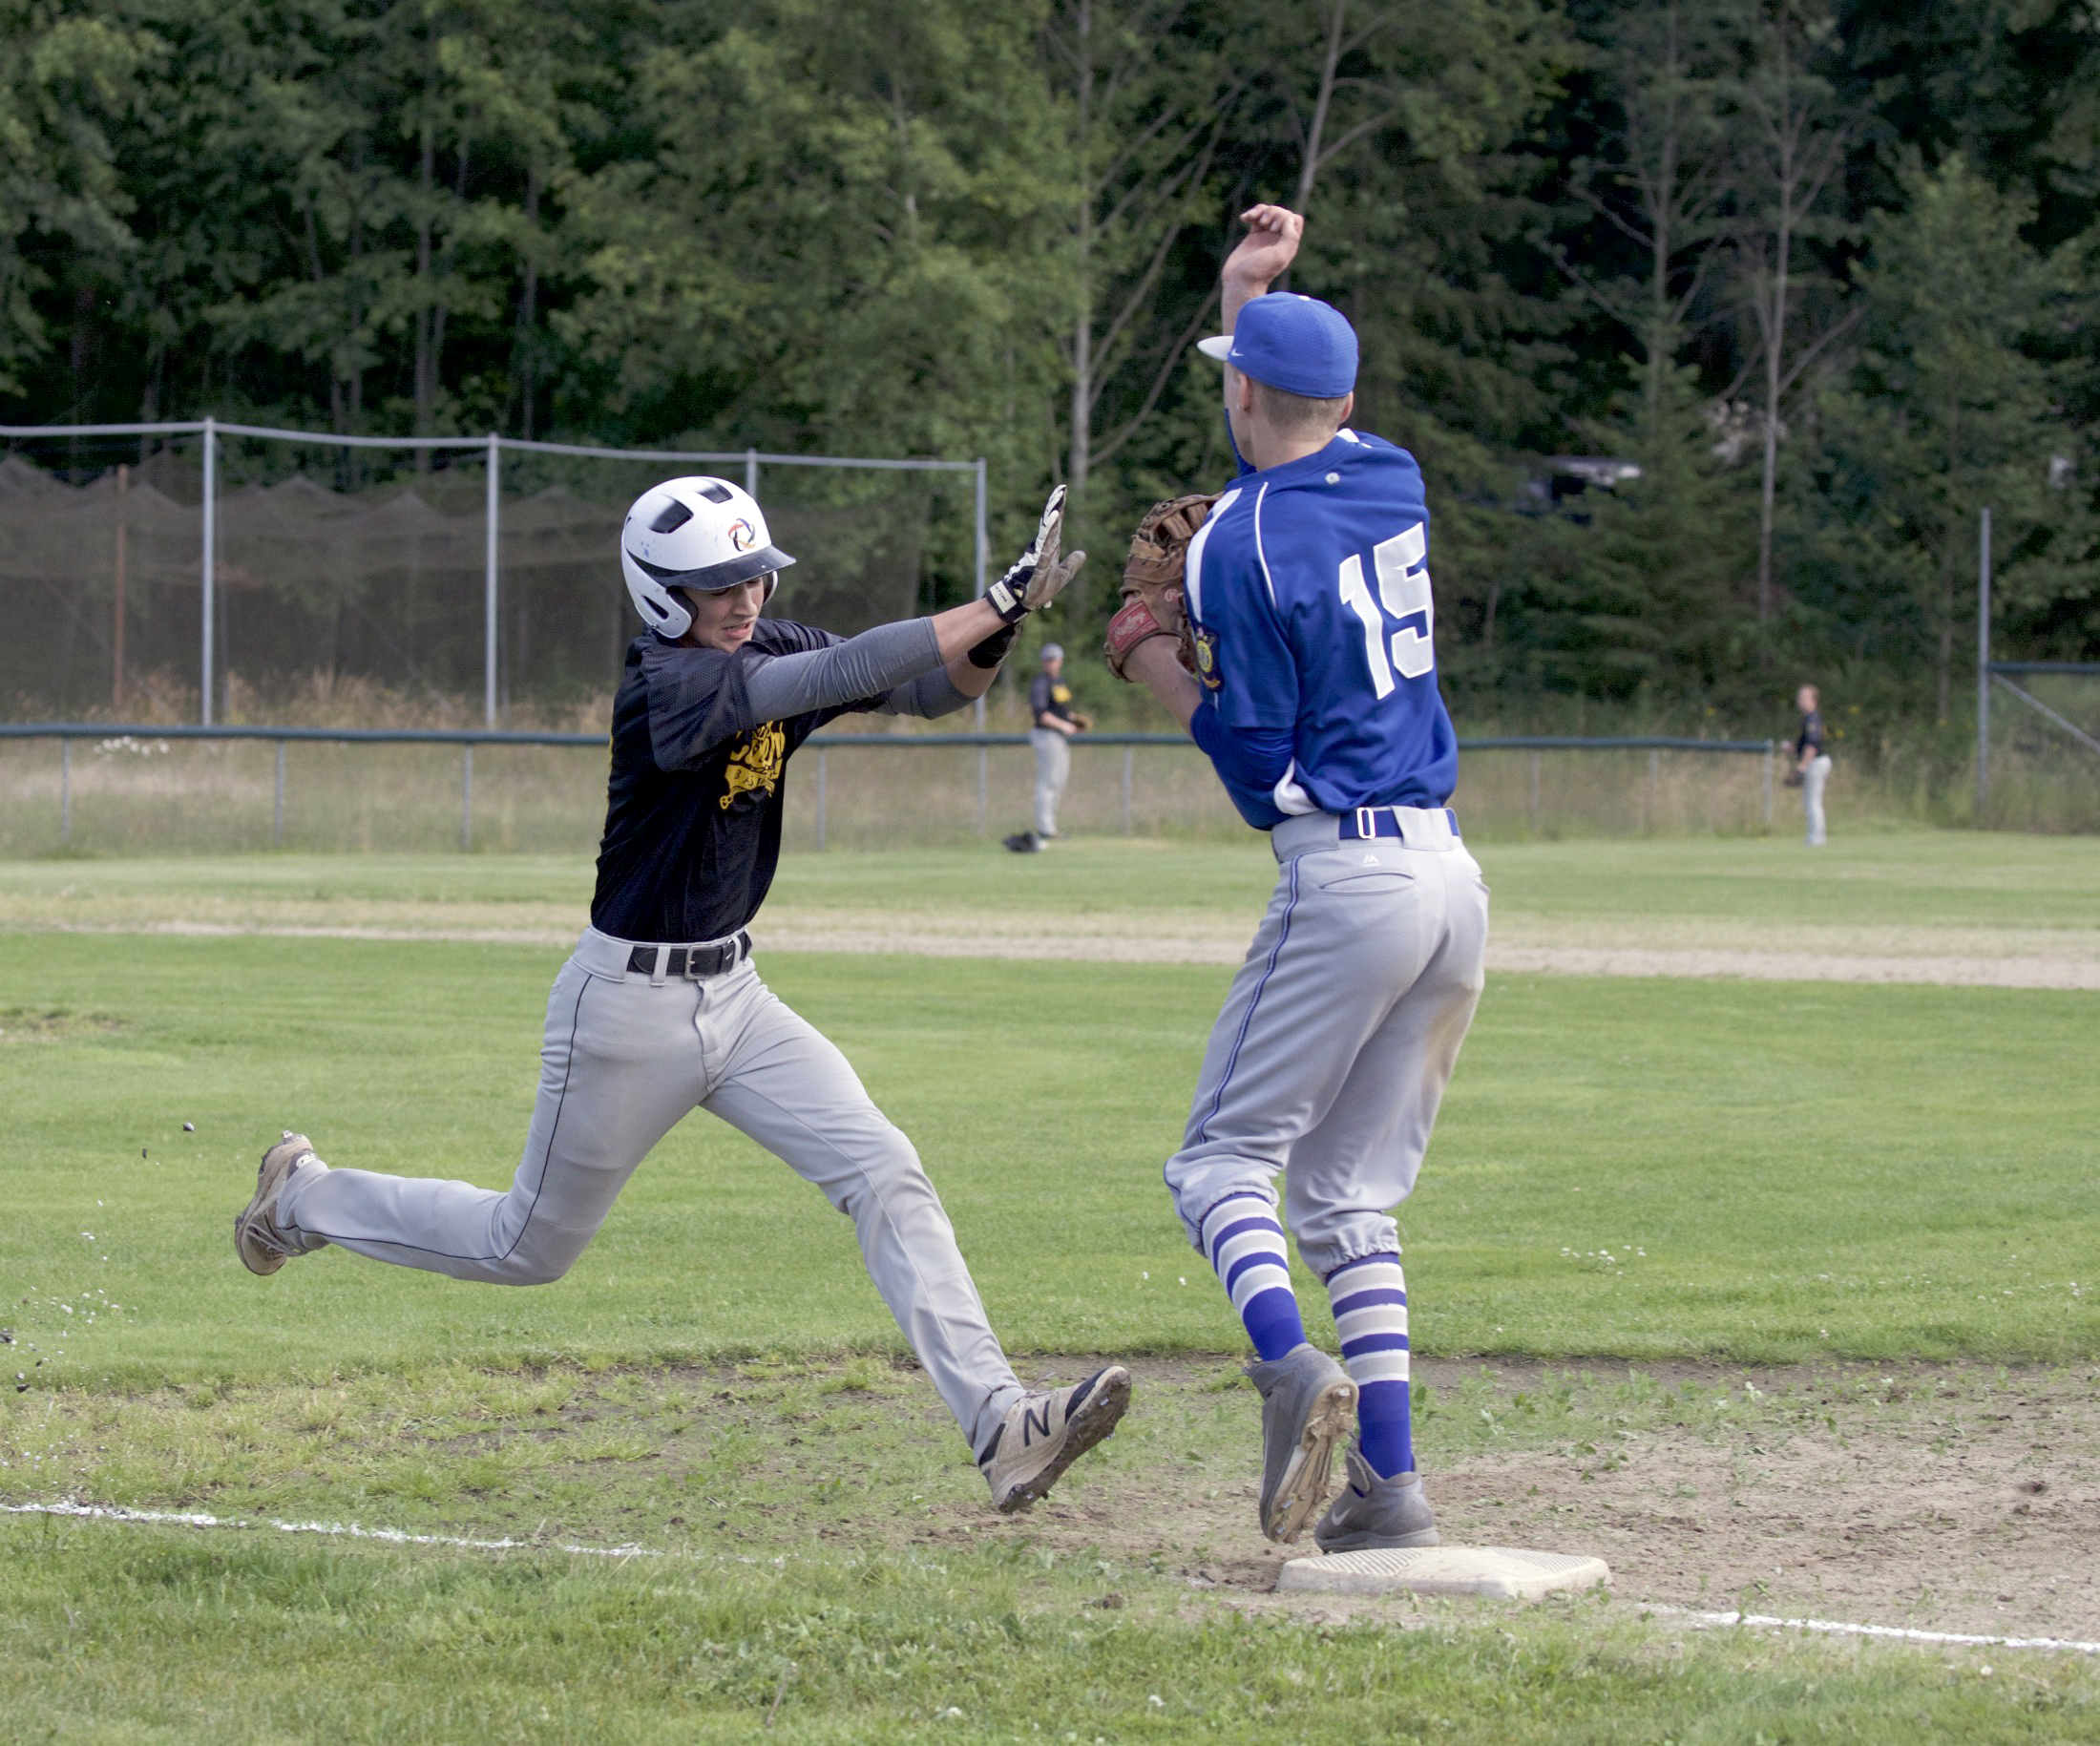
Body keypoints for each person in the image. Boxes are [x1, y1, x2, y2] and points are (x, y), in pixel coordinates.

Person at [233, 477, 1129, 1513]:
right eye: (717, 584)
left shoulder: (763, 636)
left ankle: (1002, 1423)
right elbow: (841, 667)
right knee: (523, 1247)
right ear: (662, 594)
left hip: (738, 997)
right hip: (626, 1009)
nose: (745, 595)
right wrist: (994, 596)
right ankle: (300, 1197)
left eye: (753, 573)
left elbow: (932, 690)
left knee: (885, 1168)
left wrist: (998, 629)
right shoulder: (669, 682)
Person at [1105, 205, 1487, 1551]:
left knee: (1219, 1165)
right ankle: (1393, 1486)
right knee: (1346, 1198)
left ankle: (1288, 1368)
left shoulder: (1229, 547)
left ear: (1248, 388)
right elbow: (1273, 437)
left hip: (1345, 882)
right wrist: (1244, 292)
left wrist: (1155, 658)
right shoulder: (1392, 471)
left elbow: (1260, 768)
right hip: (1452, 879)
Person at [1027, 642, 1091, 841]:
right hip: (1047, 735)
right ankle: (1045, 828)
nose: (1050, 663)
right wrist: (1065, 726)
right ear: (1043, 661)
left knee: (1058, 781)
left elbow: (1061, 709)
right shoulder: (1041, 683)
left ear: (1060, 661)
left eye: (1053, 659)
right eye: (1047, 659)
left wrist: (1072, 719)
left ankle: (1050, 825)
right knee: (1049, 782)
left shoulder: (1059, 682)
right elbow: (1041, 714)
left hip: (1059, 737)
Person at [1794, 682, 1831, 847]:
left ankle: (1816, 838)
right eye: (1800, 697)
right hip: (1816, 761)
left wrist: (1802, 765)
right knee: (1812, 801)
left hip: (1815, 762)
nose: (1800, 700)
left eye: (1804, 697)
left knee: (1812, 802)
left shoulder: (1812, 719)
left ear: (1813, 700)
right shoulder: (1809, 719)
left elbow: (1813, 744)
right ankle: (1816, 836)